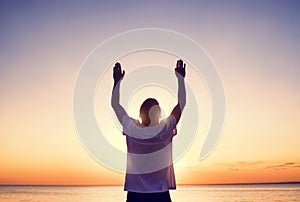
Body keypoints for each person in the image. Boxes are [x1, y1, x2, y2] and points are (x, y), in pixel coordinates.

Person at [111, 59, 186, 202]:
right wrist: (180, 78)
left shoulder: (133, 129)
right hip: (160, 194)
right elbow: (181, 104)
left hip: (135, 194)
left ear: (141, 114)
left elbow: (115, 105)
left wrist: (117, 81)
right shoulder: (165, 128)